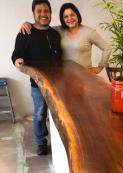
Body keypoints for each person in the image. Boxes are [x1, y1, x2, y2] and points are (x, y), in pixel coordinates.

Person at [12, 0, 62, 155]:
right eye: (39, 11)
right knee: (40, 113)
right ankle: (41, 142)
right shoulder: (25, 33)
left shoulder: (54, 34)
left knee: (57, 114)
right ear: (33, 13)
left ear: (51, 13)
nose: (43, 14)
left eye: (46, 11)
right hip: (37, 84)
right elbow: (16, 54)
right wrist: (17, 60)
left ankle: (58, 141)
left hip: (57, 83)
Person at [21, 2, 111, 74]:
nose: (69, 18)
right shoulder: (58, 30)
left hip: (85, 77)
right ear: (62, 19)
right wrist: (28, 24)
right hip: (65, 78)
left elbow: (107, 48)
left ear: (77, 15)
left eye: (72, 15)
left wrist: (100, 67)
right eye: (66, 16)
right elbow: (42, 26)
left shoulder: (89, 32)